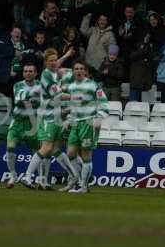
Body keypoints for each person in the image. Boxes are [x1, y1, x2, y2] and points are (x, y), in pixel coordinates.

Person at [20, 48, 77, 190]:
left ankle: (71, 177)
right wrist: (76, 96)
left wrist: (67, 56)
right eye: (50, 61)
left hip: (57, 116)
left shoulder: (53, 72)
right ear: (45, 62)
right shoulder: (47, 76)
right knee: (46, 148)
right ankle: (27, 177)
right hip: (47, 117)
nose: (54, 62)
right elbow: (57, 95)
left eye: (54, 60)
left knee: (55, 149)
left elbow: (58, 64)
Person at [66, 59, 109, 193]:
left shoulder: (93, 85)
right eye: (76, 69)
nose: (78, 71)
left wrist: (99, 117)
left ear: (85, 71)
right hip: (75, 123)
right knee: (71, 154)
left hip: (88, 122)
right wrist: (68, 119)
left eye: (81, 69)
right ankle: (80, 179)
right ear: (73, 71)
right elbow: (72, 106)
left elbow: (104, 102)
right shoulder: (71, 86)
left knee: (86, 155)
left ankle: (83, 186)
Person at [5, 62, 41, 189]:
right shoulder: (18, 85)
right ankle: (13, 174)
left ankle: (39, 179)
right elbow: (19, 101)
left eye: (31, 71)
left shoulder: (41, 85)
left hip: (33, 123)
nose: (28, 73)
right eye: (25, 71)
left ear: (36, 73)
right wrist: (35, 93)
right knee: (10, 147)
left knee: (39, 152)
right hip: (17, 122)